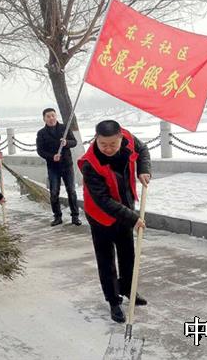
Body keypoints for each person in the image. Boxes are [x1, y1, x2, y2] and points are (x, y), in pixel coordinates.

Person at [78, 120, 151, 324]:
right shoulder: (90, 164)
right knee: (106, 259)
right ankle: (113, 300)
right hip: (100, 215)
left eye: (113, 144)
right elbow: (103, 200)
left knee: (128, 253)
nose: (108, 149)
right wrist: (133, 218)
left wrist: (143, 169)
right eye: (103, 144)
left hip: (124, 207)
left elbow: (143, 150)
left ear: (120, 137)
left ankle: (128, 289)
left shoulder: (128, 138)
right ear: (96, 139)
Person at [36, 108, 81, 226]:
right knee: (54, 192)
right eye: (48, 116)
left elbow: (74, 142)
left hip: (67, 165)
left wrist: (66, 143)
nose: (51, 118)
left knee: (71, 190)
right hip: (53, 167)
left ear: (56, 116)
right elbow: (40, 151)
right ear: (44, 119)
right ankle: (57, 216)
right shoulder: (41, 133)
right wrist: (52, 157)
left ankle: (75, 216)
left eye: (53, 115)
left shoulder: (64, 128)